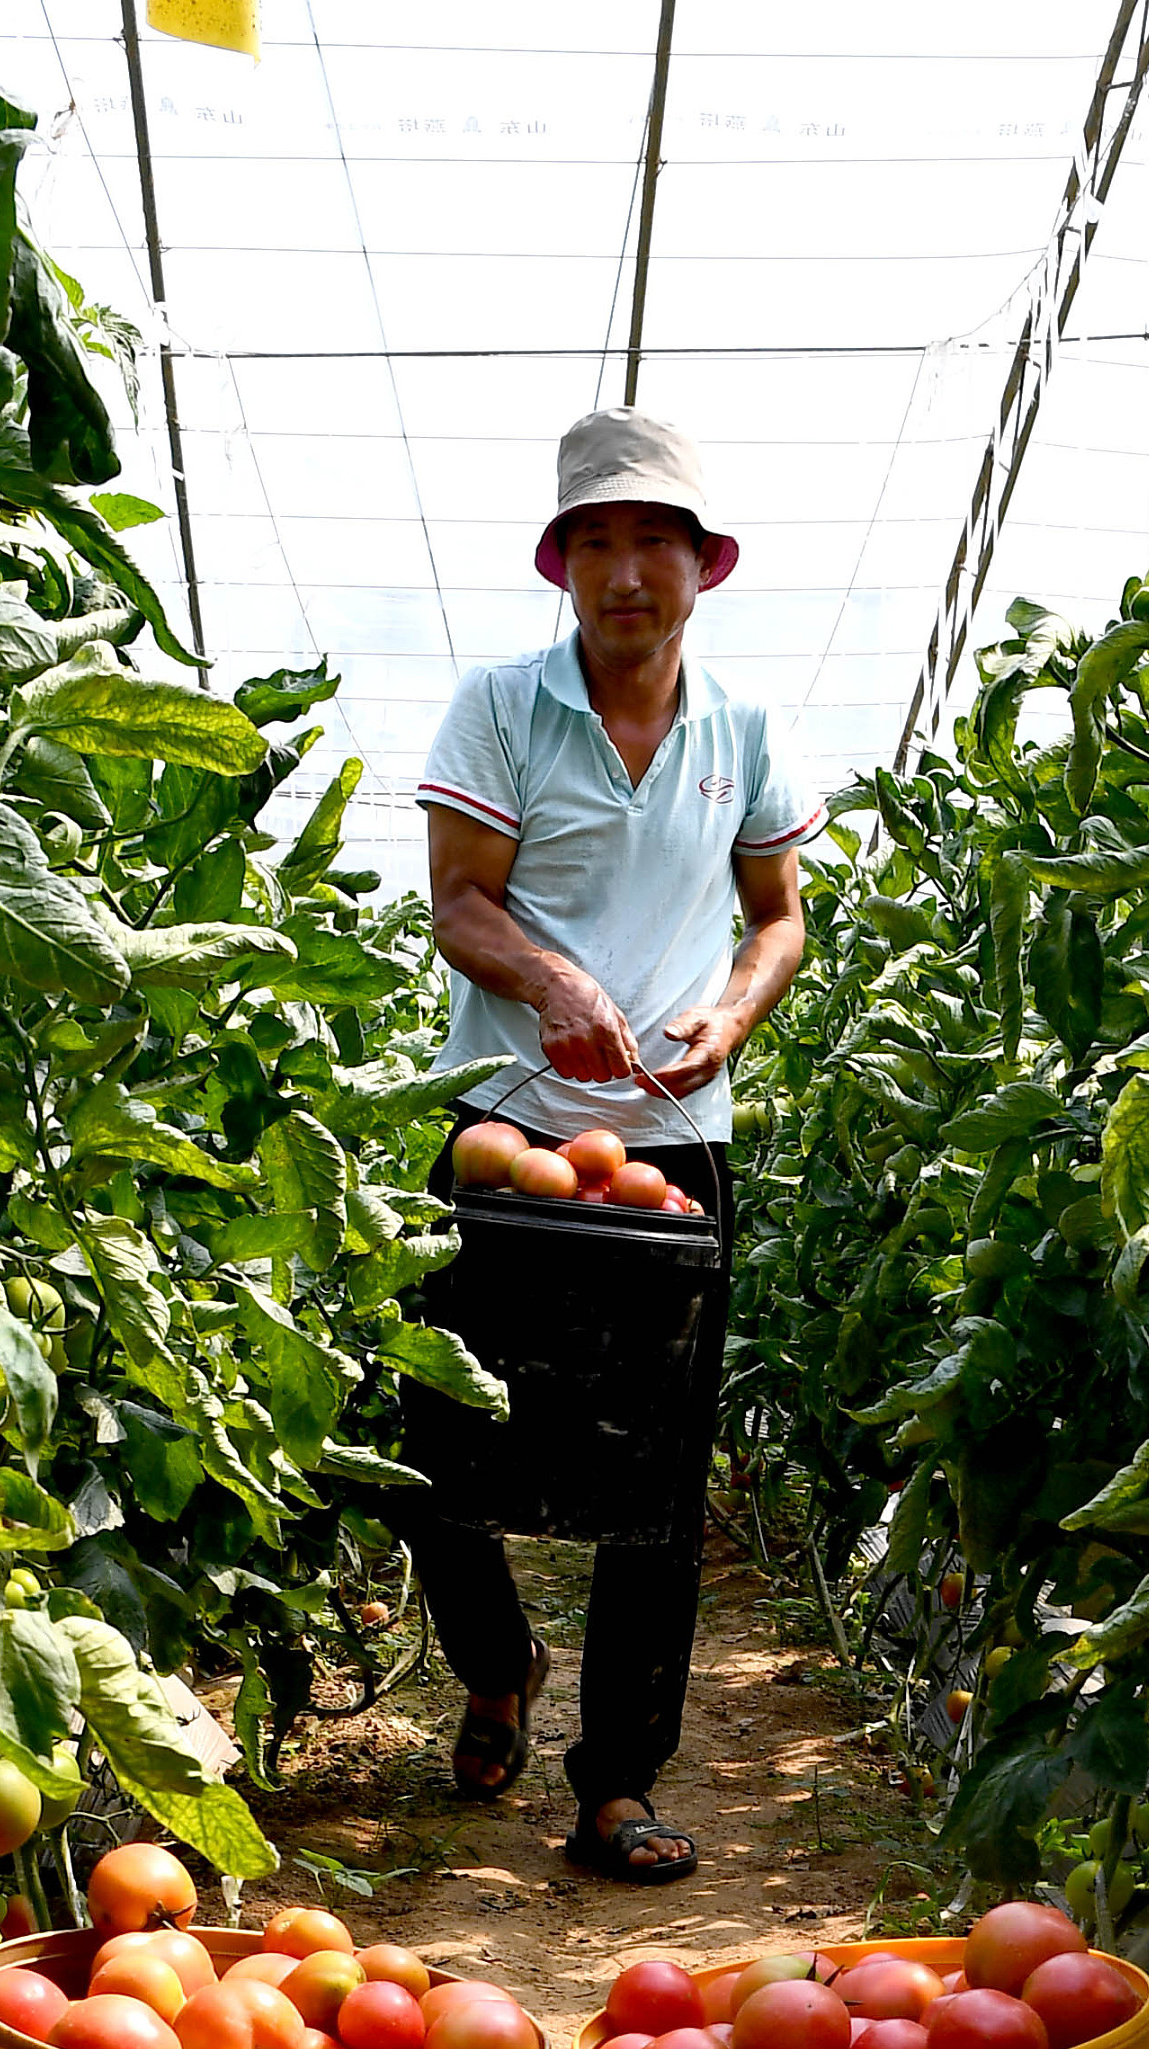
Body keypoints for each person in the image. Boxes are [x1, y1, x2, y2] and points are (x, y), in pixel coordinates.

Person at [396, 412, 818, 1882]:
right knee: (434, 1439)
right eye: (598, 541)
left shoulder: (741, 733)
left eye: (656, 542)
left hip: (672, 1145)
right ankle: (495, 1657)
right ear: (563, 563)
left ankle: (616, 1786)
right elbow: (460, 902)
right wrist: (559, 989)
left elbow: (778, 917)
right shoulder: (502, 709)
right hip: (509, 1127)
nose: (627, 571)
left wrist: (729, 1013)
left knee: (658, 1476)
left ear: (704, 565)